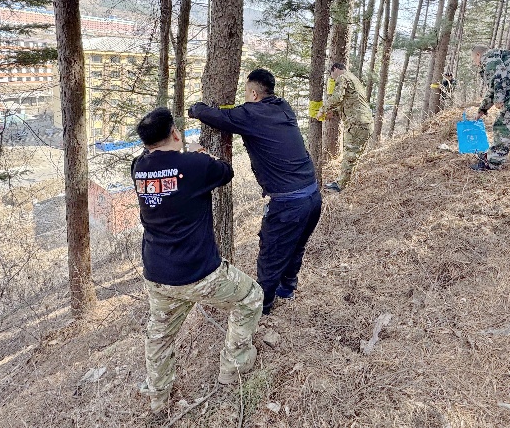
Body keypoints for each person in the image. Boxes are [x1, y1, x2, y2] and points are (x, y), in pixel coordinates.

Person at [132, 107, 263, 414]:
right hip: (198, 273)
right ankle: (234, 365)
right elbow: (226, 172)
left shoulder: (138, 167)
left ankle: (158, 396)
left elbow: (162, 169)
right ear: (175, 133)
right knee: (251, 297)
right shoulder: (194, 164)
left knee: (159, 335)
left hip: (157, 274)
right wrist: (201, 152)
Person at [188, 68, 322, 315]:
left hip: (288, 203)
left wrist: (195, 109)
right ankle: (287, 289)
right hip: (313, 196)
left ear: (254, 94)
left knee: (272, 255)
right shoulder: (284, 107)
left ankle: (263, 307)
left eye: (246, 92)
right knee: (295, 246)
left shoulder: (252, 113)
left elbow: (217, 116)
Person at [315, 62, 373, 192]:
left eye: (331, 75)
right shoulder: (353, 78)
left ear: (335, 69)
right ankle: (344, 183)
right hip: (364, 122)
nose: (332, 78)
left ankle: (341, 186)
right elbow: (349, 101)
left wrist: (322, 110)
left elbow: (337, 97)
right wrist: (334, 112)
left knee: (350, 155)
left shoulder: (342, 77)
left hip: (357, 123)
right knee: (352, 156)